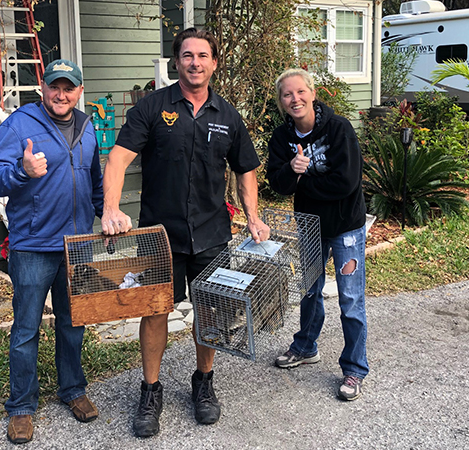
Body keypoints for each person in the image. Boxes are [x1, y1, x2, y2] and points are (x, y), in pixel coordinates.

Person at [101, 28, 270, 437]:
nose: (195, 62)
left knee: (209, 309)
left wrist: (254, 215)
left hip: (212, 234)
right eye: (188, 55)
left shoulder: (228, 116)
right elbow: (119, 159)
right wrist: (109, 209)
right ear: (176, 62)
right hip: (159, 235)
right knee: (155, 310)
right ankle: (151, 390)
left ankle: (203, 382)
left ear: (214, 63)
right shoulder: (152, 108)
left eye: (203, 56)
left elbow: (245, 168)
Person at [0, 59, 103, 444]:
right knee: (25, 329)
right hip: (33, 246)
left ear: (79, 91)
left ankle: (72, 389)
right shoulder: (20, 124)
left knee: (73, 324)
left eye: (69, 87)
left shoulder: (88, 129)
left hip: (76, 246)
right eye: (55, 86)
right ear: (43, 87)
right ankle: (21, 406)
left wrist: (110, 213)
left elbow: (95, 183)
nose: (61, 94)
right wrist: (22, 171)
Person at [266, 68, 369, 401]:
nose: (295, 99)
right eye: (287, 95)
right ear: (281, 102)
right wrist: (289, 171)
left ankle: (354, 368)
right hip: (310, 226)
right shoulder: (282, 139)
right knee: (309, 291)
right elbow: (278, 185)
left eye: (300, 92)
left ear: (312, 93)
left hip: (345, 228)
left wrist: (303, 178)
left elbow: (346, 182)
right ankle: (305, 346)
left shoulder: (338, 129)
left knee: (350, 301)